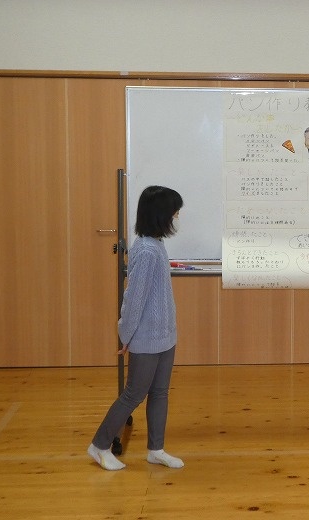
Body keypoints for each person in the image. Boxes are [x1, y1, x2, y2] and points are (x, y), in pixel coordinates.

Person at [87, 185, 185, 471]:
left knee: (160, 392)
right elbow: (134, 299)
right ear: (160, 214)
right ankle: (100, 445)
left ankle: (156, 449)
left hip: (165, 335)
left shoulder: (157, 245)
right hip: (146, 337)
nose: (177, 217)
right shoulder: (145, 250)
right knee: (134, 394)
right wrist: (126, 335)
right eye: (174, 212)